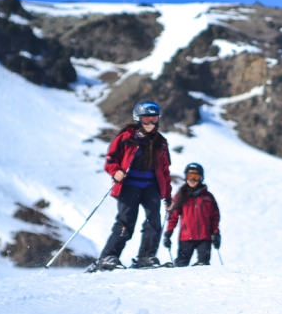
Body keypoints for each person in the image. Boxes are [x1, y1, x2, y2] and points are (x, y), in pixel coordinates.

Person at [86, 100, 172, 272]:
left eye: (154, 119)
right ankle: (108, 257)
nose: (151, 123)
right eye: (146, 119)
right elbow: (111, 160)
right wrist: (115, 171)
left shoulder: (161, 142)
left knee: (154, 220)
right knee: (126, 221)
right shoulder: (126, 137)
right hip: (129, 185)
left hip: (151, 187)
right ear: (138, 119)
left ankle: (146, 257)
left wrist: (168, 196)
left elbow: (165, 171)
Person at [164, 163, 221, 267]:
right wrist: (168, 233)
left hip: (204, 238)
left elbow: (215, 218)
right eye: (190, 176)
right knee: (181, 265)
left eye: (196, 176)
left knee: (203, 265)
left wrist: (216, 234)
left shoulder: (208, 197)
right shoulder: (180, 196)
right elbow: (173, 216)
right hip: (186, 238)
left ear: (201, 178)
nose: (192, 179)